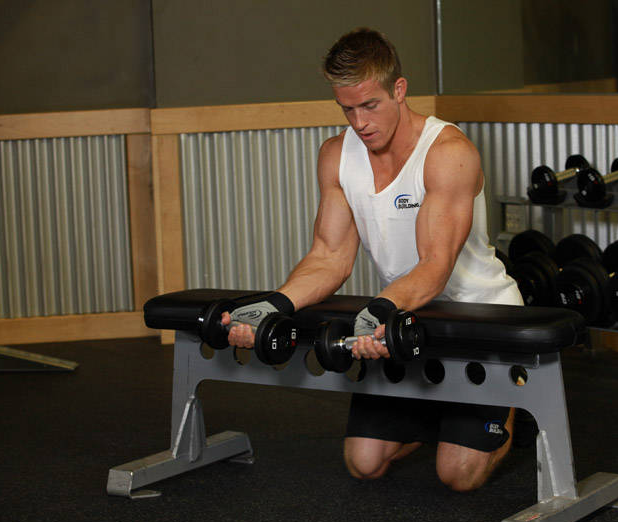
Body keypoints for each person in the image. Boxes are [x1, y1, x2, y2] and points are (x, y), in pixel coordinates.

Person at [222, 28, 522, 492]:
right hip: (402, 318)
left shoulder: (447, 154)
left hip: (480, 319)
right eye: (347, 108)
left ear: (398, 90)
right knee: (363, 463)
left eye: (371, 105)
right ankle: (438, 417)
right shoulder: (337, 157)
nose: (360, 122)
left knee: (457, 476)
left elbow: (434, 264)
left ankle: (516, 409)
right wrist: (273, 305)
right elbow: (329, 257)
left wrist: (376, 311)